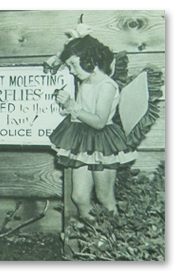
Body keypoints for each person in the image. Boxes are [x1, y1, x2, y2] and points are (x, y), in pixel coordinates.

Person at [49, 29, 137, 222]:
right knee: (79, 197)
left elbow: (98, 122)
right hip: (83, 142)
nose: (71, 70)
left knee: (105, 197)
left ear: (90, 60)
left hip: (103, 143)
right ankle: (93, 237)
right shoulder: (86, 82)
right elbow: (82, 113)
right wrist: (69, 109)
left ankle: (112, 239)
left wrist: (72, 106)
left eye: (73, 64)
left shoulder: (106, 85)